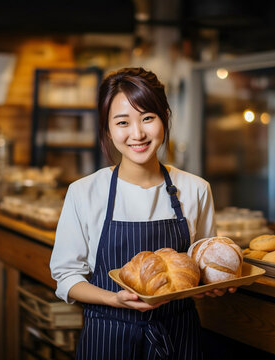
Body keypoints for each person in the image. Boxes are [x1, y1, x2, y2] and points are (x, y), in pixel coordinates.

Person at [50, 67, 236, 360]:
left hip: (179, 338)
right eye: (123, 122)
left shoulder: (196, 189)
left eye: (148, 118)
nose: (137, 134)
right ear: (108, 129)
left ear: (164, 117)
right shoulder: (84, 192)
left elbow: (204, 264)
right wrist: (115, 299)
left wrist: (210, 286)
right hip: (107, 337)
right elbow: (67, 277)